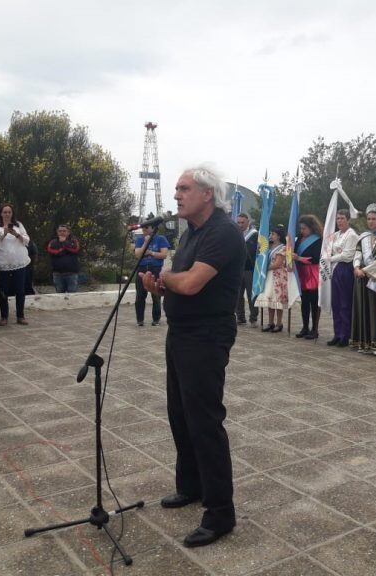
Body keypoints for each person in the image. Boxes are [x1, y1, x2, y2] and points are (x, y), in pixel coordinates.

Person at [139, 165, 244, 548]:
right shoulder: (192, 234)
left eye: (184, 188)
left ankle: (220, 513)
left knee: (204, 421)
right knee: (179, 413)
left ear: (207, 194)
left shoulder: (223, 233)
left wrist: (163, 279)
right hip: (181, 332)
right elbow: (180, 285)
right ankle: (191, 485)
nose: (177, 195)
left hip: (206, 336)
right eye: (177, 189)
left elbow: (193, 282)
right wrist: (160, 286)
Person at [350, 204, 376, 355]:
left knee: (375, 310)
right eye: (368, 219)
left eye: (374, 219)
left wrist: (365, 271)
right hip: (361, 278)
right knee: (363, 309)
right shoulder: (363, 237)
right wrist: (356, 267)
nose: (371, 222)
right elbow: (358, 253)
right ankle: (364, 342)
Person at [0, 203, 31, 326]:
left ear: (12, 214)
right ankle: (4, 317)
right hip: (3, 263)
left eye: (9, 212)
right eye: (5, 212)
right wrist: (4, 234)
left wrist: (16, 234)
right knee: (3, 290)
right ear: (1, 213)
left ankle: (20, 316)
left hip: (19, 261)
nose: (7, 214)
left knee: (20, 289)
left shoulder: (19, 225)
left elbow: (27, 240)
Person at [326, 209, 359, 347]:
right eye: (338, 218)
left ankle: (345, 335)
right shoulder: (336, 235)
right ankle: (337, 333)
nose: (339, 221)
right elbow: (330, 249)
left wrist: (331, 258)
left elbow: (348, 255)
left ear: (348, 220)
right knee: (336, 303)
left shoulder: (351, 235)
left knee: (345, 304)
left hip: (345, 269)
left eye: (342, 218)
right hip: (334, 269)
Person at [131, 222, 170, 326]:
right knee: (140, 296)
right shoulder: (140, 239)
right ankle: (140, 320)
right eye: (143, 229)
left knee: (156, 295)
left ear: (153, 228)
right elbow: (138, 255)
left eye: (146, 228)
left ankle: (156, 319)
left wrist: (151, 253)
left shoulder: (161, 239)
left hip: (155, 269)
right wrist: (145, 243)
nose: (144, 230)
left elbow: (164, 255)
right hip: (142, 268)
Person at [293, 214, 323, 339]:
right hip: (301, 273)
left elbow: (316, 259)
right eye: (301, 228)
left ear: (311, 227)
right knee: (304, 302)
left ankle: (314, 329)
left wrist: (299, 258)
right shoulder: (300, 238)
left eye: (304, 228)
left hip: (313, 274)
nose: (302, 231)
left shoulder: (318, 240)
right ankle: (305, 327)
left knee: (314, 302)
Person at [255, 226, 287, 333]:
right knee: (269, 300)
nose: (271, 236)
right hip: (268, 275)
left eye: (273, 234)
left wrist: (262, 268)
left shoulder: (283, 248)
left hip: (278, 276)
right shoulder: (269, 247)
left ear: (278, 236)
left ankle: (279, 323)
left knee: (277, 300)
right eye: (271, 234)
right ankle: (270, 322)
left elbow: (277, 264)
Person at [235, 213, 258, 325]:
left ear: (248, 222)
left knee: (251, 295)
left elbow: (257, 251)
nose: (240, 225)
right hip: (237, 269)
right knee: (238, 294)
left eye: (242, 222)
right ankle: (240, 317)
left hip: (250, 269)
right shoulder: (233, 233)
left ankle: (253, 318)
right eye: (238, 222)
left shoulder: (254, 235)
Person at [47, 224, 81, 294]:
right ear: (57, 232)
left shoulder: (74, 241)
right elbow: (50, 251)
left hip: (71, 274)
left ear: (68, 232)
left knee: (72, 295)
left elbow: (76, 250)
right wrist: (62, 250)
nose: (62, 232)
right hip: (57, 274)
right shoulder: (53, 242)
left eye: (64, 231)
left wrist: (64, 243)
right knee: (59, 294)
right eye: (60, 231)